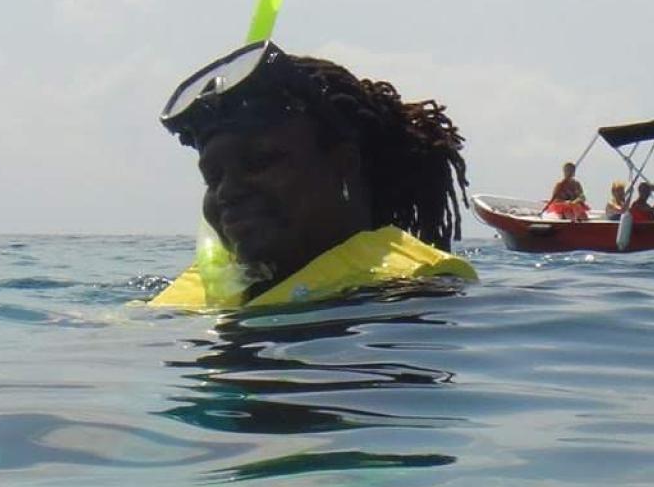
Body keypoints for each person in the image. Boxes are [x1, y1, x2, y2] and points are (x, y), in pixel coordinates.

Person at [148, 39, 476, 310]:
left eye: (261, 162)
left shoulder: (411, 297)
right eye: (213, 177)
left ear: (343, 165)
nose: (228, 191)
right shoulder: (194, 304)